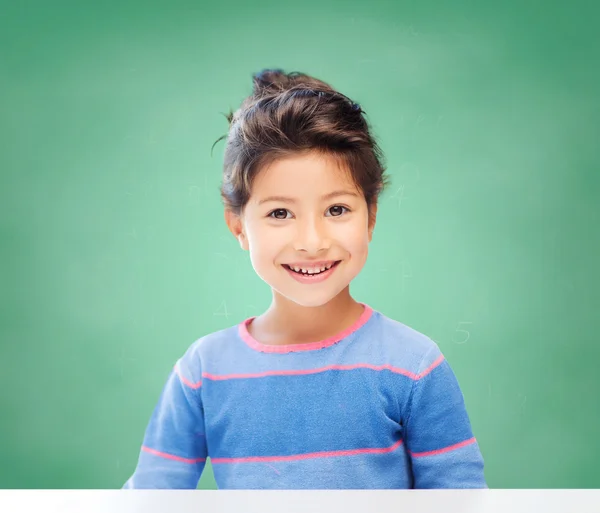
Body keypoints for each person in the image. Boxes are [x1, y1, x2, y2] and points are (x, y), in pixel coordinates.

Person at [123, 68, 486, 489]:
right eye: (280, 213)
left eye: (336, 210)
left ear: (371, 217)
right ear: (238, 226)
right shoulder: (205, 371)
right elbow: (152, 494)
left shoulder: (413, 366)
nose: (311, 242)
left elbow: (459, 496)